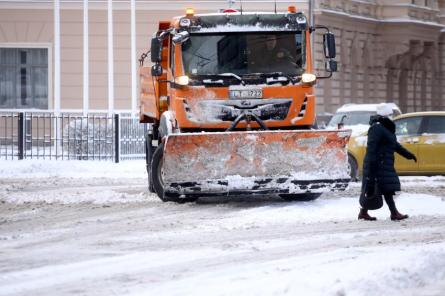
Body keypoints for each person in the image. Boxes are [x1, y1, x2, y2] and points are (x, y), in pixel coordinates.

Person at [358, 103, 417, 221]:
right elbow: (371, 149)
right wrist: (372, 165)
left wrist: (408, 155)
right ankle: (393, 213)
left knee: (384, 188)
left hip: (384, 163)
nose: (392, 116)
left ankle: (364, 212)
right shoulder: (377, 128)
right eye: (390, 114)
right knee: (381, 188)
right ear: (386, 115)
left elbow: (394, 145)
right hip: (378, 163)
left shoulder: (385, 128)